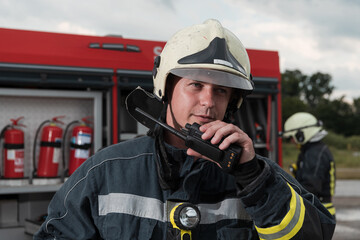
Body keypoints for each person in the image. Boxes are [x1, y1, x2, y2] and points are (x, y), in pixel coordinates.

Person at [34, 19, 335, 240]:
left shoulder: (257, 176)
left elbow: (315, 235)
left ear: (232, 102)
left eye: (220, 91)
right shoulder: (106, 172)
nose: (208, 102)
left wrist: (254, 179)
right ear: (165, 87)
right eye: (196, 85)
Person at [283, 112, 336, 218]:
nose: (292, 141)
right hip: (316, 210)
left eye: (292, 137)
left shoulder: (315, 153)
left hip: (318, 212)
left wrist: (283, 193)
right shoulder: (311, 151)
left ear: (301, 135)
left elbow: (311, 187)